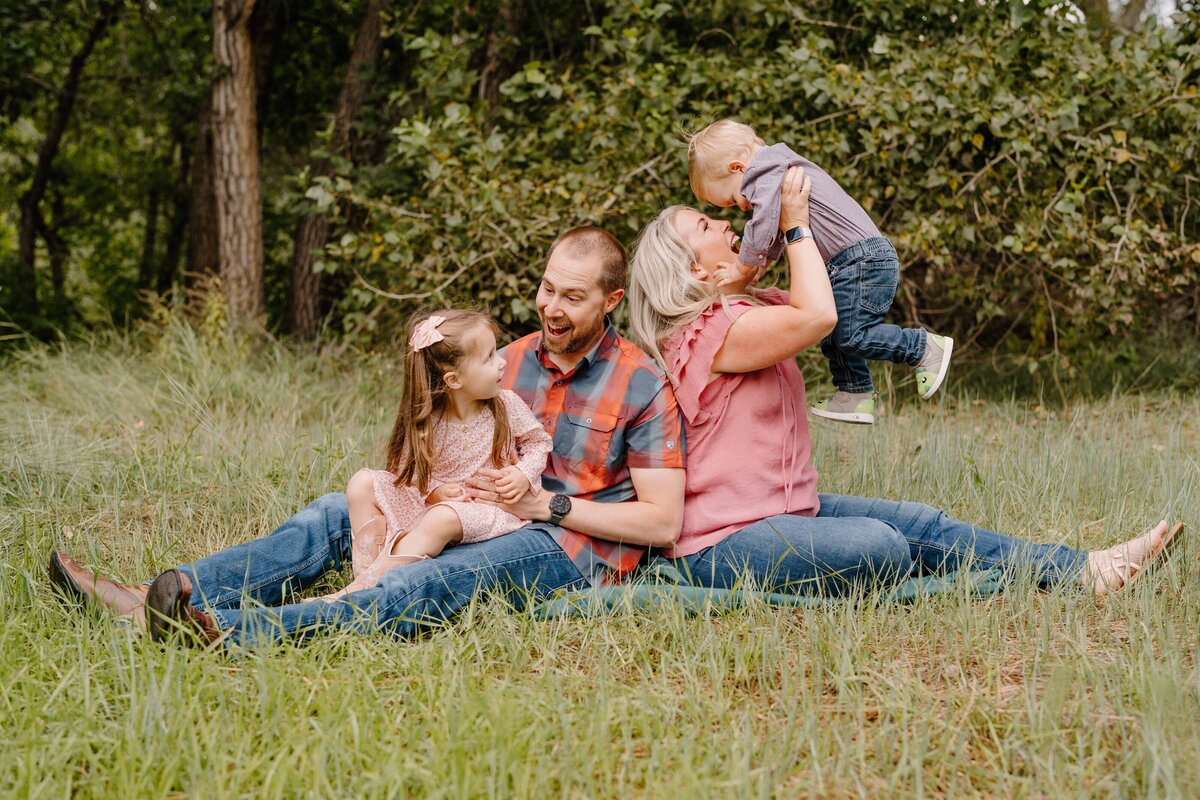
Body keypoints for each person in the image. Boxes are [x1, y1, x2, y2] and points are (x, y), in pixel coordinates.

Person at [49, 226, 687, 647]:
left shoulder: (641, 385)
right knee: (334, 513)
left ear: (610, 300)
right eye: (547, 288)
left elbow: (662, 524)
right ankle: (148, 599)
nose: (551, 307)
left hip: (566, 546)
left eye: (572, 297)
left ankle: (222, 631)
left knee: (423, 580)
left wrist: (546, 504)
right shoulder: (508, 359)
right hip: (477, 509)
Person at [627, 164, 1181, 596]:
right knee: (881, 545)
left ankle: (1085, 570)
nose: (725, 223)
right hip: (723, 543)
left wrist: (780, 238)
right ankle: (1065, 572)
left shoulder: (744, 313)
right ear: (693, 270)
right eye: (705, 225)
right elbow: (817, 316)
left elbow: (826, 300)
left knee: (921, 523)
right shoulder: (709, 333)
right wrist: (792, 223)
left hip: (785, 512)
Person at [686, 118, 952, 425]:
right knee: (835, 333)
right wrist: (758, 264)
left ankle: (921, 348)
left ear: (737, 168)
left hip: (860, 260)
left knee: (853, 335)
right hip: (853, 261)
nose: (742, 207)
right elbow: (775, 230)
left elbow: (762, 225)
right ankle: (854, 393)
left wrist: (742, 265)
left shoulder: (764, 171)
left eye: (734, 199)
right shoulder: (774, 171)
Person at [315, 309, 553, 602]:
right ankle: (369, 578)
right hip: (436, 506)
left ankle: (352, 595)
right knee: (361, 483)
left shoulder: (505, 404)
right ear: (453, 380)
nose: (502, 363)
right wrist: (436, 491)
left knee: (441, 519)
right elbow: (407, 470)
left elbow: (538, 442)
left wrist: (522, 474)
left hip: (491, 510)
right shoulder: (428, 418)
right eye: (489, 357)